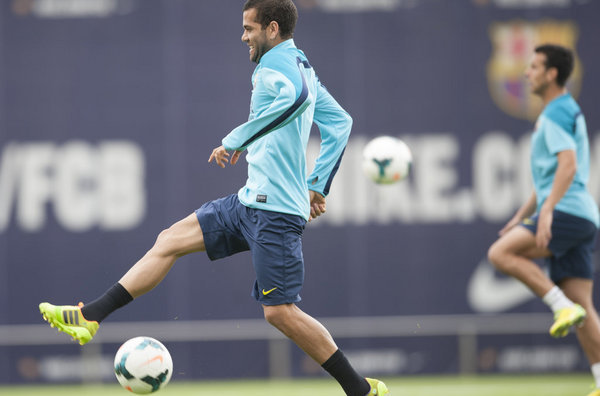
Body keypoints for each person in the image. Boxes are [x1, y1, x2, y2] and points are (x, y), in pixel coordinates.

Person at [38, 1, 389, 395]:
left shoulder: (281, 68)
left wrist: (237, 139)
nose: (243, 36)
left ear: (272, 29)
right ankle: (90, 315)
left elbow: (295, 100)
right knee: (169, 240)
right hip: (250, 202)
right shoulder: (299, 64)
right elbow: (340, 122)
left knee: (280, 313)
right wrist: (317, 183)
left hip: (274, 213)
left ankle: (359, 389)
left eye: (249, 28)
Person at [488, 44, 600, 396]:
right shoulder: (567, 109)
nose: (526, 73)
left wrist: (547, 209)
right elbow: (551, 175)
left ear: (552, 74)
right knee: (585, 309)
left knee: (500, 254)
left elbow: (567, 165)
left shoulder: (553, 115)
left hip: (567, 210)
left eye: (534, 66)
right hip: (582, 215)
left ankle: (559, 306)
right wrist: (523, 214)